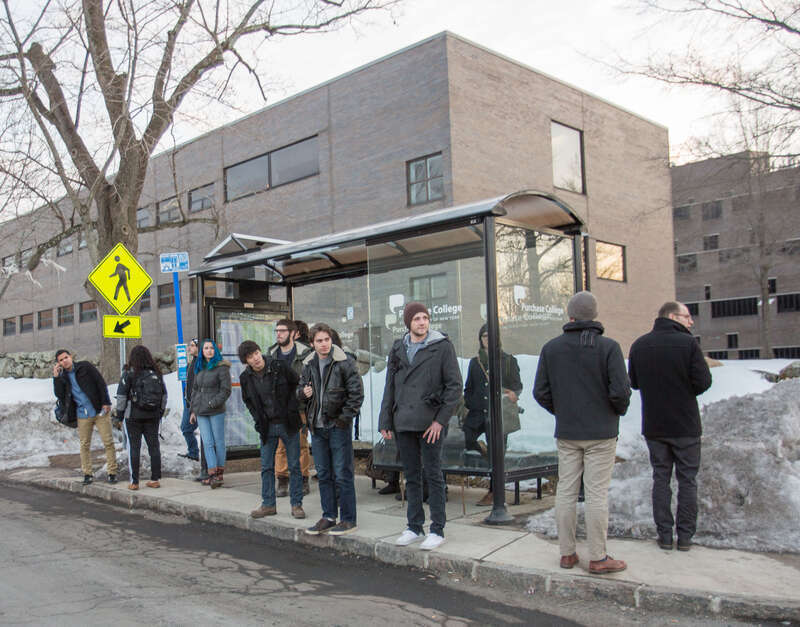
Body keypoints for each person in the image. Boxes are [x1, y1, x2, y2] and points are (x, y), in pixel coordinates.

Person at [533, 291, 631, 574]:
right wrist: (613, 412)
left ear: (570, 315)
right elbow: (620, 392)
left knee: (566, 490)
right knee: (596, 494)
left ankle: (567, 554)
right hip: (601, 432)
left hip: (568, 432)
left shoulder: (551, 348)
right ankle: (598, 557)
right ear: (595, 315)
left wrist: (562, 411)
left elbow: (540, 391)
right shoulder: (609, 347)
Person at [628, 301, 712, 552]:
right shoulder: (688, 344)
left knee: (661, 479)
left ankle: (664, 535)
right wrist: (684, 390)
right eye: (687, 316)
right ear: (673, 316)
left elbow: (634, 382)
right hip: (685, 425)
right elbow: (704, 381)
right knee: (687, 480)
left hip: (655, 424)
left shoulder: (640, 345)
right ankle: (685, 537)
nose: (691, 321)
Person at [379, 302, 462, 551]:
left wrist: (440, 421)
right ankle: (414, 526)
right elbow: (390, 386)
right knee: (411, 476)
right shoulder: (398, 348)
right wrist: (385, 420)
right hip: (404, 421)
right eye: (416, 318)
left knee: (433, 476)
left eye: (425, 317)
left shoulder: (442, 346)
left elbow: (454, 387)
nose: (422, 322)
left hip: (430, 423)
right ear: (408, 323)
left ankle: (437, 529)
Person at [299, 323, 364, 536]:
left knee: (343, 474)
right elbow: (300, 390)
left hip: (338, 427)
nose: (324, 344)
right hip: (317, 428)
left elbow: (356, 395)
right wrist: (303, 393)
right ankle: (328, 516)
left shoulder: (345, 361)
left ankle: (348, 519)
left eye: (327, 339)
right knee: (324, 474)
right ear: (312, 343)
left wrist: (343, 420)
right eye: (319, 341)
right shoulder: (308, 364)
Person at [239, 340, 305, 519]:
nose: (255, 358)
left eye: (256, 353)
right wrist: (257, 418)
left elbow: (297, 384)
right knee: (266, 467)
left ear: (260, 351)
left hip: (288, 423)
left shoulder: (279, 366)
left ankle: (296, 504)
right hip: (267, 427)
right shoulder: (245, 378)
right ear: (246, 361)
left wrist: (293, 408)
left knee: (294, 466)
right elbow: (248, 401)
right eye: (250, 357)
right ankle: (268, 504)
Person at [463, 323, 523, 506]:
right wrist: (472, 403)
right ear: (480, 339)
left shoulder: (508, 360)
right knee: (467, 439)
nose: (488, 339)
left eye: (491, 336)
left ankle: (494, 492)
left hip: (498, 414)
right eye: (484, 336)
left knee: (497, 454)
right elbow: (468, 388)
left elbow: (517, 386)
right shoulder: (475, 362)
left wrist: (513, 394)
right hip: (477, 414)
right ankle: (484, 452)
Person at [53, 349, 118, 485]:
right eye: (61, 360)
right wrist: (56, 377)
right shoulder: (63, 376)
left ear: (71, 357)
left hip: (99, 411)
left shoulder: (85, 367)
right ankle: (87, 474)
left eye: (66, 357)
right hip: (82, 414)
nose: (64, 361)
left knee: (108, 442)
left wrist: (106, 402)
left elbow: (100, 383)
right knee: (84, 445)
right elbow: (60, 395)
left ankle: (112, 473)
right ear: (58, 363)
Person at [269, 319, 313, 497]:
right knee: (280, 446)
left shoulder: (306, 354)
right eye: (277, 331)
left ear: (293, 333)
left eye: (282, 331)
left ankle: (303, 479)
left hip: (299, 406)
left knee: (301, 444)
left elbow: (309, 380)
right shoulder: (271, 354)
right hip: (279, 408)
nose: (278, 334)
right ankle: (282, 479)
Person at [115, 345, 167, 490]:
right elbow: (164, 395)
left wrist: (119, 416)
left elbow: (121, 396)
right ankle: (155, 479)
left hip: (133, 416)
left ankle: (134, 482)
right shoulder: (156, 373)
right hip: (153, 415)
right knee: (154, 447)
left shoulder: (129, 373)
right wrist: (160, 412)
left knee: (134, 447)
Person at [189, 339, 232, 489]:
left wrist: (212, 403)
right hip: (201, 411)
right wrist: (193, 410)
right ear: (202, 351)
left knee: (218, 441)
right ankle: (212, 474)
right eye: (206, 348)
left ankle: (219, 472)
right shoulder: (199, 367)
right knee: (207, 442)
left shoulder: (222, 367)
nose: (209, 351)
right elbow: (195, 390)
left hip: (216, 410)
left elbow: (226, 390)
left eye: (211, 348)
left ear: (215, 350)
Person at [179, 338, 200, 461]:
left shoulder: (200, 364)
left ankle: (195, 453)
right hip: (189, 402)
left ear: (198, 347)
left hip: (197, 404)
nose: (189, 348)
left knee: (187, 428)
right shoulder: (191, 363)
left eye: (192, 345)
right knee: (185, 428)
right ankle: (193, 452)